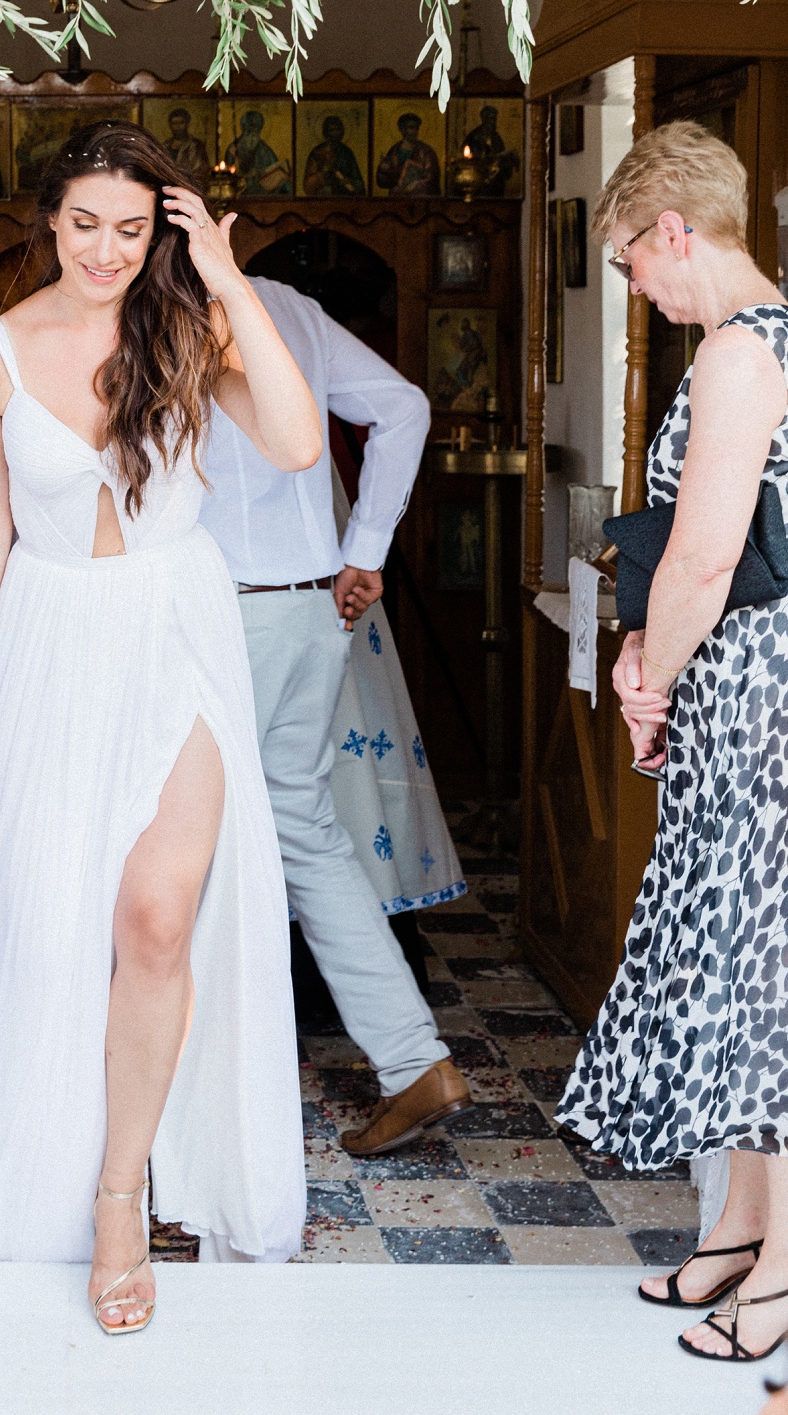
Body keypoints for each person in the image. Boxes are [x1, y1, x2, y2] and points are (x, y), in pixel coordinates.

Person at [0, 121, 322, 1324]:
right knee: (38, 922)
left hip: (173, 636)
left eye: (132, 229)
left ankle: (118, 1192)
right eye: (85, 223)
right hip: (40, 641)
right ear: (49, 219)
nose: (105, 249)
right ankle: (23, 1161)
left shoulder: (191, 327)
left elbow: (296, 443)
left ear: (165, 230)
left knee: (155, 917)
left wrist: (229, 276)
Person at [557, 122, 788, 1366]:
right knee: (744, 949)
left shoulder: (744, 357)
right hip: (751, 675)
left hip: (758, 685)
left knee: (763, 962)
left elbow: (705, 552)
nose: (637, 290)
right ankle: (746, 1227)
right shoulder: (765, 342)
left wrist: (651, 674)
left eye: (634, 267)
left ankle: (787, 1270)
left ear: (674, 233)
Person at [200, 275, 471, 1154]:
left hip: (214, 610)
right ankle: (411, 1057)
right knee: (305, 829)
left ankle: (203, 1095)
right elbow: (403, 406)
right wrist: (364, 549)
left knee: (178, 838)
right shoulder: (290, 304)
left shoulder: (155, 306)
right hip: (312, 602)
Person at [375, 110, 442, 196]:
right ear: (402, 129)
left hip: (420, 198)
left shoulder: (426, 151)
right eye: (411, 127)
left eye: (416, 128)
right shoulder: (394, 150)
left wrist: (416, 184)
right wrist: (384, 169)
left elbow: (432, 177)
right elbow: (384, 182)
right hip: (398, 198)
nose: (414, 131)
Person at [301, 114, 365, 197]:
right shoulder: (317, 152)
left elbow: (359, 184)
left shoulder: (347, 153)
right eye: (331, 130)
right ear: (325, 132)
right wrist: (324, 171)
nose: (335, 133)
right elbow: (308, 186)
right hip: (322, 198)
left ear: (342, 131)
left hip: (344, 198)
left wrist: (350, 182)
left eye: (337, 130)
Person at [225, 108, 286, 194]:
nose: (253, 138)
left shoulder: (265, 150)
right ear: (244, 132)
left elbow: (274, 170)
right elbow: (227, 176)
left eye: (256, 133)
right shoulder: (233, 149)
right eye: (249, 133)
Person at [163, 105, 212, 193]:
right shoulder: (165, 146)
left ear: (187, 123)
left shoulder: (196, 146)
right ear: (170, 125)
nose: (178, 127)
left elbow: (201, 171)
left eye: (181, 123)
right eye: (174, 123)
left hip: (190, 189)